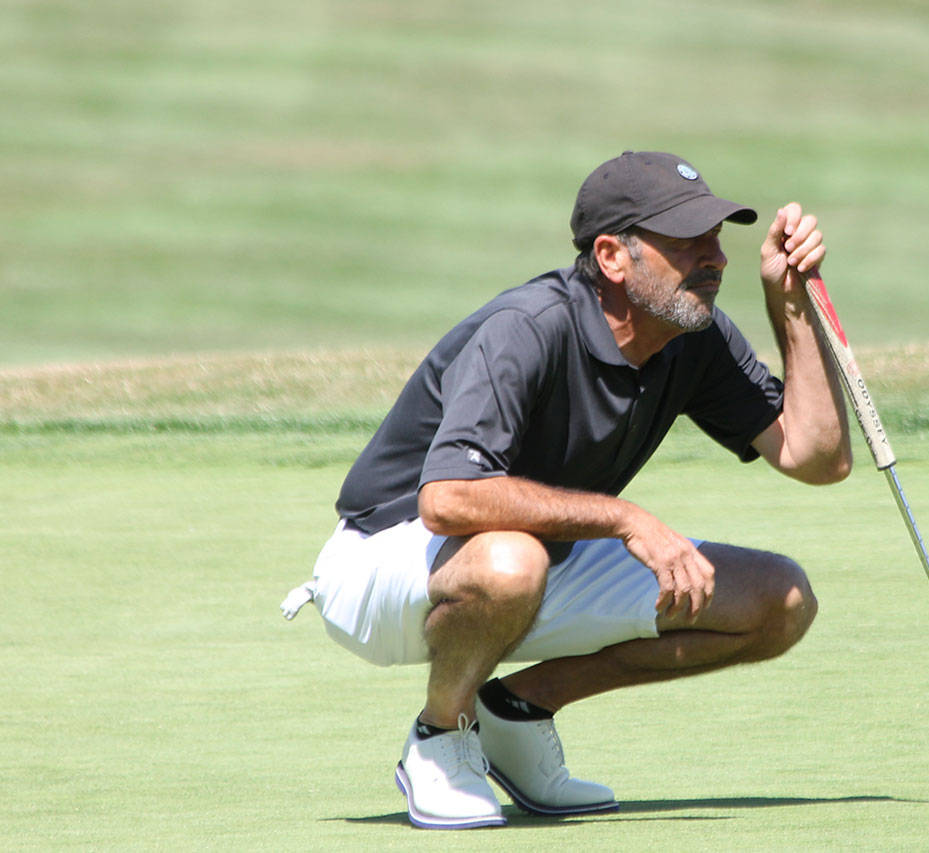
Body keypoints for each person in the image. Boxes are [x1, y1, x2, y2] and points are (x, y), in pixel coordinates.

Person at [280, 150, 853, 829]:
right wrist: (626, 519)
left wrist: (788, 304)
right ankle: (441, 736)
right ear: (612, 256)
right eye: (685, 241)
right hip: (384, 564)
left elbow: (818, 455)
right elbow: (447, 498)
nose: (714, 257)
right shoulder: (528, 327)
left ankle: (516, 710)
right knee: (509, 561)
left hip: (539, 557)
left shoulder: (689, 334)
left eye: (716, 238)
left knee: (779, 600)